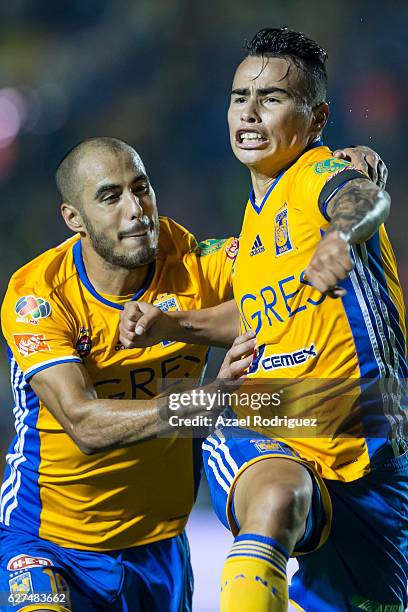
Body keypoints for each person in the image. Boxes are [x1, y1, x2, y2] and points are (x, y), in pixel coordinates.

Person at [119, 28, 407, 612]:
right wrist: (175, 325)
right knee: (240, 457)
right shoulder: (253, 227)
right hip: (283, 408)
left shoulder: (315, 175)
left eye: (271, 99)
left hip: (369, 429)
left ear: (318, 117)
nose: (248, 113)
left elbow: (363, 198)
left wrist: (337, 236)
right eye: (237, 98)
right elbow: (252, 311)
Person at [0, 136, 241, 612]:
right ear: (74, 219)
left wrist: (331, 183)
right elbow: (84, 423)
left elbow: (293, 269)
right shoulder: (39, 297)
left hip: (159, 547)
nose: (136, 209)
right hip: (48, 544)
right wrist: (206, 402)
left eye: (141, 188)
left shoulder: (193, 262)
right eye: (110, 197)